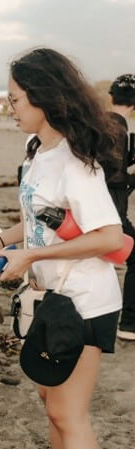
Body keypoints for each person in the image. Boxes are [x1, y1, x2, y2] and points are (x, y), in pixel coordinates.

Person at [0, 48, 124, 449]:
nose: (10, 108)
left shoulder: (76, 162)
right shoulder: (39, 150)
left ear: (43, 97)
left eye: (15, 99)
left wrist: (34, 254)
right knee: (50, 403)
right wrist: (1, 239)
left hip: (83, 301)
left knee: (67, 413)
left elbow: (109, 235)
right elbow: (39, 218)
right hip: (48, 296)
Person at [104, 73, 135, 341]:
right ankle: (128, 324)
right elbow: (112, 175)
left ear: (111, 96)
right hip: (110, 211)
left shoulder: (100, 122)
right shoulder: (118, 127)